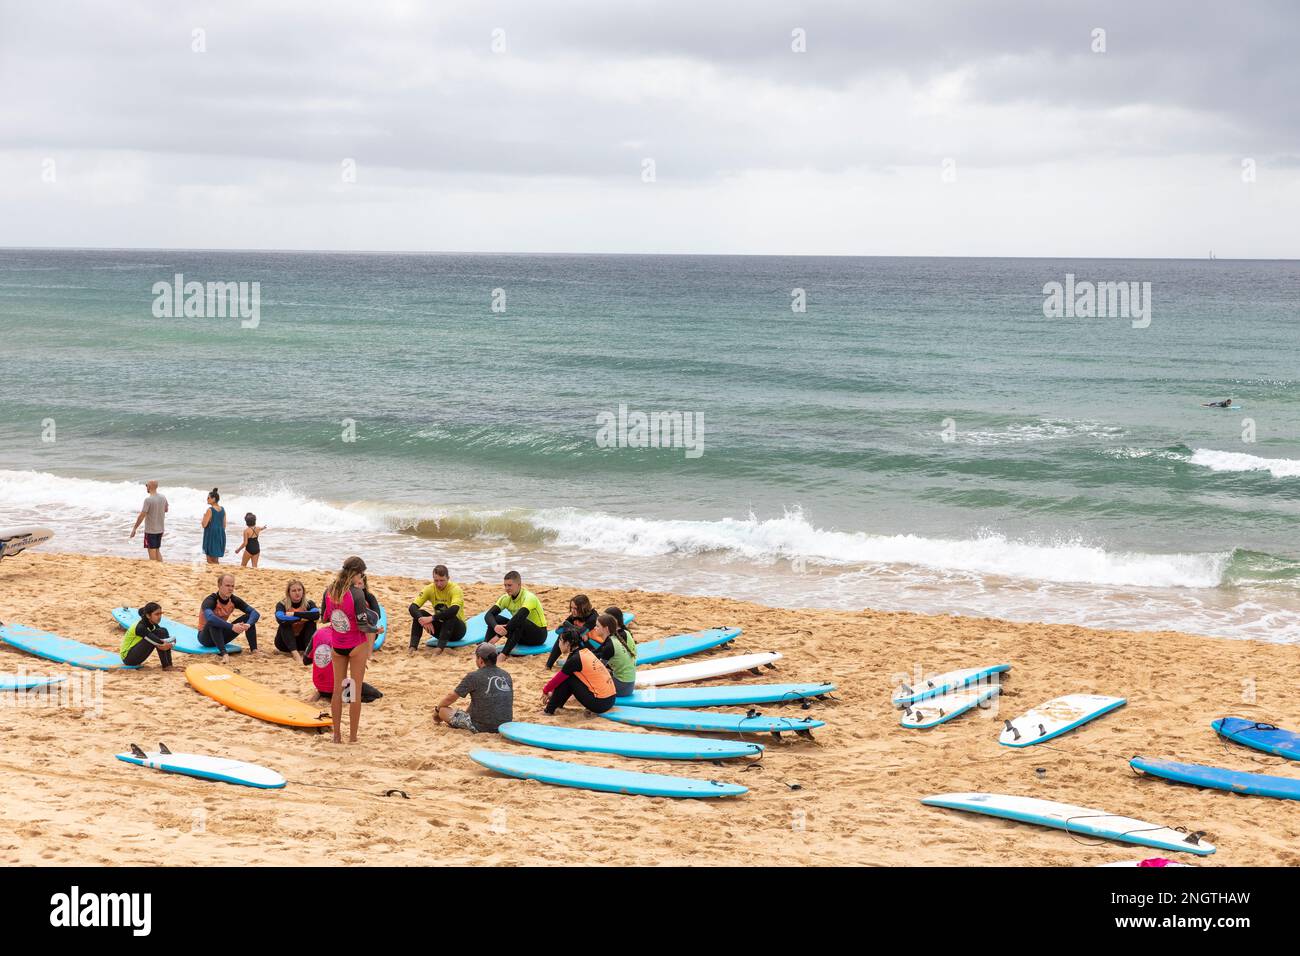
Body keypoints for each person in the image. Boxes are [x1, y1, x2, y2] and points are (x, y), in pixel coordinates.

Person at [321, 555, 372, 743]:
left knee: (338, 691)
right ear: (356, 574)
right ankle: (352, 737)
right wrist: (377, 629)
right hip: (356, 646)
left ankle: (336, 736)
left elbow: (325, 618)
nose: (362, 579)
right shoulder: (357, 594)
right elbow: (363, 625)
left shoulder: (330, 590)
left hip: (338, 645)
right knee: (353, 692)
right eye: (361, 575)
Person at [434, 643, 514, 733]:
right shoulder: (506, 675)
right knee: (480, 698)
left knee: (443, 711)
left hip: (482, 727)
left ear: (480, 660)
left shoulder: (474, 676)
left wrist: (437, 710)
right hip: (504, 725)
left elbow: (450, 697)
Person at [542, 631, 616, 715]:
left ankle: (549, 710)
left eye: (560, 640)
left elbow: (558, 679)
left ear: (567, 643)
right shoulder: (584, 652)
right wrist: (552, 692)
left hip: (600, 703)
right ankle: (557, 704)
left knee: (568, 678)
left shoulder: (575, 659)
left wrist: (546, 690)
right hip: (611, 699)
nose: (558, 644)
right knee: (569, 676)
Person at [305, 627, 382, 703]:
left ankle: (322, 693)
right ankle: (339, 697)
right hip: (338, 688)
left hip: (319, 685)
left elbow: (306, 661)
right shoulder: (350, 639)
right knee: (376, 695)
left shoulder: (318, 632)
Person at [483, 570, 548, 659]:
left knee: (521, 620)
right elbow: (488, 615)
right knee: (495, 619)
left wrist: (498, 635)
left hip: (538, 636)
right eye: (505, 585)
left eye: (509, 585)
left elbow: (520, 617)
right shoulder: (505, 598)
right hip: (519, 635)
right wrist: (495, 626)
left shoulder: (529, 597)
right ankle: (486, 646)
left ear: (519, 585)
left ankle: (503, 655)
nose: (507, 588)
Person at [197, 572, 260, 656]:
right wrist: (232, 627)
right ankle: (224, 654)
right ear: (219, 586)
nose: (230, 589)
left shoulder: (234, 600)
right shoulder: (210, 600)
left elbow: (255, 613)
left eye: (232, 586)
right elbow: (210, 618)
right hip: (205, 638)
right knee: (213, 621)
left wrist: (248, 624)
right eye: (227, 586)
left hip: (222, 636)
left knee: (248, 617)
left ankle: (254, 650)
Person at [408, 564, 466, 652]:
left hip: (457, 631)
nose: (439, 584)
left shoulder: (455, 589)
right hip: (441, 630)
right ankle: (413, 646)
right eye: (436, 580)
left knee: (450, 615)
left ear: (448, 578)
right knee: (420, 614)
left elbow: (454, 610)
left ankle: (439, 648)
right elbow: (412, 607)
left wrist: (431, 618)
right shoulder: (430, 589)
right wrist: (422, 620)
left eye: (442, 580)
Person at [545, 594, 596, 668]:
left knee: (572, 634)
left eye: (575, 608)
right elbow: (558, 631)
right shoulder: (574, 616)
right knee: (563, 635)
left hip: (593, 647)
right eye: (571, 608)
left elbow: (581, 632)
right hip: (582, 642)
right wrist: (567, 627)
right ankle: (548, 665)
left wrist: (567, 625)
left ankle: (569, 663)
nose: (572, 610)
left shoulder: (593, 618)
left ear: (583, 608)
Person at [119, 602, 175, 669]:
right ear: (148, 616)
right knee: (159, 635)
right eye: (157, 614)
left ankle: (168, 665)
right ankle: (166, 666)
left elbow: (163, 639)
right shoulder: (140, 627)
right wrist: (170, 644)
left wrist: (168, 644)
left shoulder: (152, 623)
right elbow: (159, 643)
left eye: (160, 614)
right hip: (128, 658)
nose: (160, 617)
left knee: (163, 631)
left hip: (138, 655)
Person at [274, 580, 320, 654]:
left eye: (299, 590)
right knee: (285, 623)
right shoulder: (282, 604)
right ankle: (295, 654)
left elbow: (316, 614)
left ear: (303, 591)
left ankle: (309, 651)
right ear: (288, 593)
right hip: (284, 644)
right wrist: (302, 618)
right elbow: (280, 618)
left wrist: (294, 614)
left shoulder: (309, 603)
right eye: (294, 591)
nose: (297, 593)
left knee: (311, 622)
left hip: (303, 644)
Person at [597, 611, 637, 697]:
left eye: (597, 626)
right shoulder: (615, 638)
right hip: (629, 684)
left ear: (606, 629)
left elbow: (598, 670)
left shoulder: (609, 646)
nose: (595, 628)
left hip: (623, 688)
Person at [129, 480, 168, 562]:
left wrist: (134, 528)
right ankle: (161, 568)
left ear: (149, 487)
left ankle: (155, 570)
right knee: (157, 550)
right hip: (160, 529)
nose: (146, 487)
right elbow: (166, 509)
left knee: (152, 552)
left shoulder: (148, 500)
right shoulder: (163, 497)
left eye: (146, 485)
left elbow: (142, 515)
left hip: (151, 530)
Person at [200, 488, 227, 564]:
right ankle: (217, 573)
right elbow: (224, 525)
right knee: (216, 558)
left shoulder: (210, 510)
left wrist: (204, 517)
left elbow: (204, 525)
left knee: (209, 559)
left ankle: (212, 574)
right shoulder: (223, 509)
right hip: (220, 534)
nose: (207, 499)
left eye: (208, 498)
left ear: (214, 499)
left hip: (211, 534)